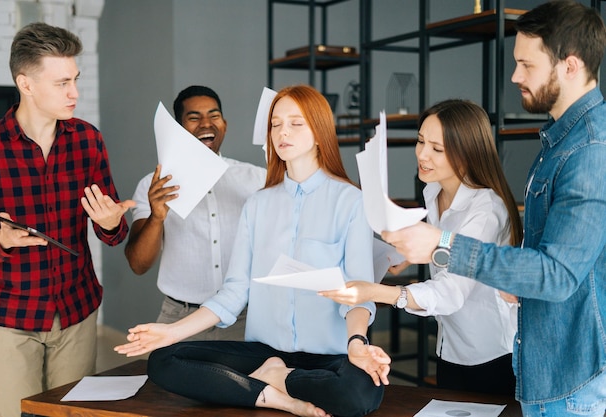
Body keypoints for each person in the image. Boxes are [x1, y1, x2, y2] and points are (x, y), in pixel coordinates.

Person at [381, 2, 606, 416]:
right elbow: (553, 260)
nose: (515, 76)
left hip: (570, 374)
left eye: (526, 64)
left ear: (570, 66)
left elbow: (558, 275)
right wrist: (514, 278)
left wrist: (442, 244)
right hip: (542, 361)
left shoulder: (590, 151)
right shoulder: (560, 144)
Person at [115, 85, 390, 417]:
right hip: (265, 351)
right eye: (275, 124)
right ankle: (275, 395)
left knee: (359, 397)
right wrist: (170, 331)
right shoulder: (258, 203)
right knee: (163, 360)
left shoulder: (351, 201)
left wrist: (357, 343)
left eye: (295, 123)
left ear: (320, 132)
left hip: (329, 353)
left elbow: (360, 291)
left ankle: (275, 381)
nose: (281, 132)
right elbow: (235, 290)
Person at [0, 22, 134, 417]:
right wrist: (1, 242)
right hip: (7, 317)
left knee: (74, 413)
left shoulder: (88, 140)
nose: (75, 93)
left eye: (76, 79)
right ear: (26, 84)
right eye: (61, 82)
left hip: (77, 309)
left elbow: (112, 234)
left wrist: (112, 223)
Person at [321, 99, 522, 396]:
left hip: (489, 354)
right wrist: (403, 253)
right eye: (420, 142)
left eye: (437, 149)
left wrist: (374, 293)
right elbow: (442, 245)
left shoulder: (486, 212)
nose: (423, 155)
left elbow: (450, 292)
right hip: (449, 346)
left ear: (467, 153)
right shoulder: (435, 191)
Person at [124, 85, 265, 340]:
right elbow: (138, 264)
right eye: (193, 117)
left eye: (214, 115)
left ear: (225, 124)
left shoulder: (257, 178)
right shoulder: (153, 185)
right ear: (178, 129)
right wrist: (157, 216)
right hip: (179, 317)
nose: (206, 123)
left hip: (245, 317)